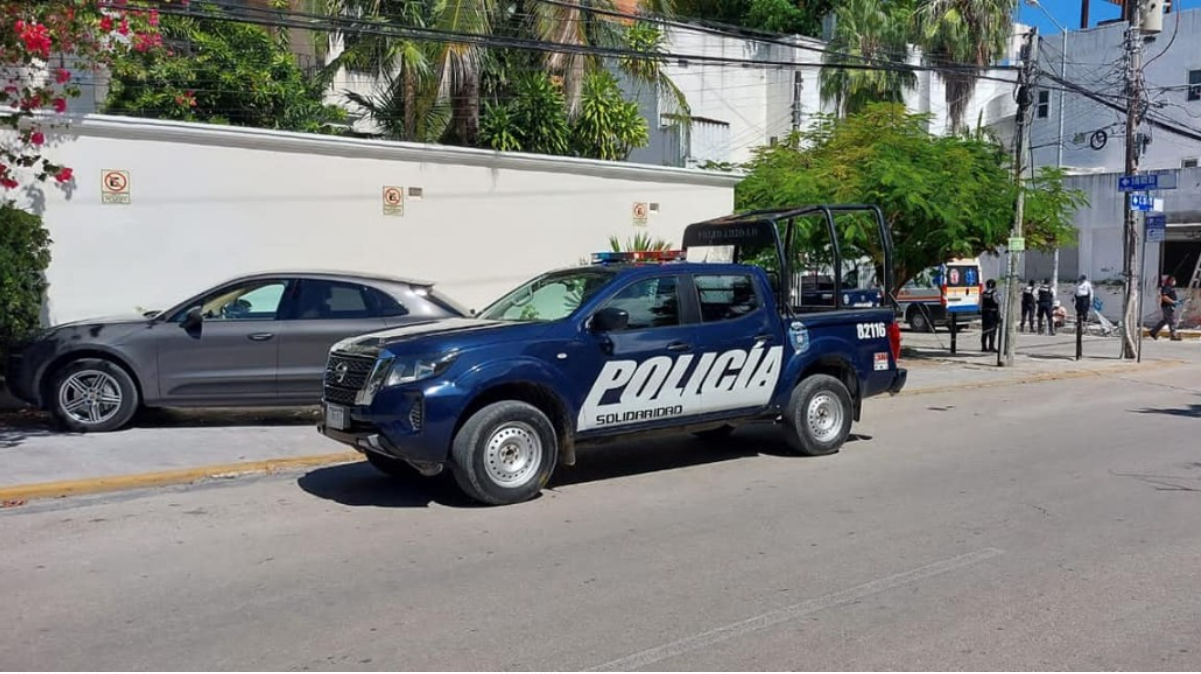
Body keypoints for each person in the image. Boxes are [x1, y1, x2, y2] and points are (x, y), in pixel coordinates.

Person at [1150, 275, 1183, 341]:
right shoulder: (1167, 287)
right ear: (1169, 281)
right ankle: (1173, 335)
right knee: (1172, 321)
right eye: (1172, 280)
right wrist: (1173, 302)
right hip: (1168, 307)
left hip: (1169, 306)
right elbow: (1164, 297)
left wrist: (1176, 302)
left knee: (1164, 321)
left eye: (1174, 280)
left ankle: (1153, 332)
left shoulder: (1170, 287)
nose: (1174, 281)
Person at [980, 279, 1001, 352]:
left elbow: (980, 303)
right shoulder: (994, 293)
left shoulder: (983, 293)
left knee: (984, 330)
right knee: (992, 330)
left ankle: (983, 346)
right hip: (992, 314)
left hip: (985, 313)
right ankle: (991, 346)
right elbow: (997, 302)